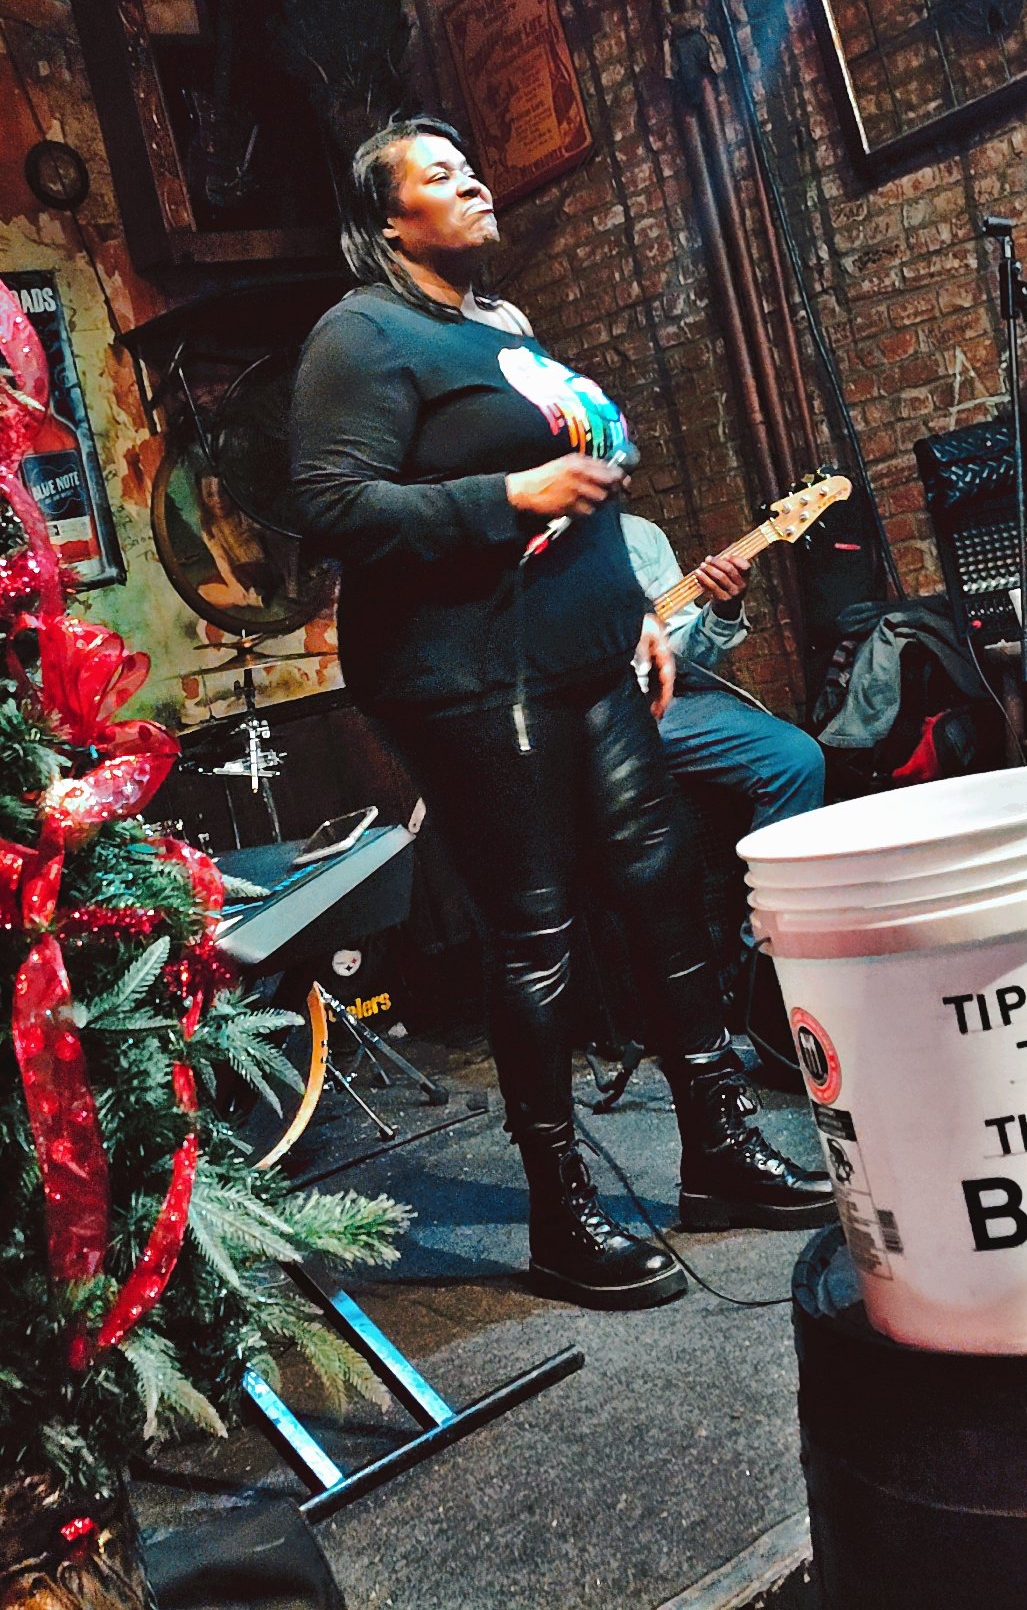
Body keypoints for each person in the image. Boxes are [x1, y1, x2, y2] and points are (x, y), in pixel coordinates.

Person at [289, 116, 834, 1314]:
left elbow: (573, 518)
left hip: (590, 656)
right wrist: (507, 490)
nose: (474, 179)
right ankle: (559, 1214)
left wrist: (624, 608)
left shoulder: (500, 327)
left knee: (664, 888)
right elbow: (331, 505)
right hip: (472, 676)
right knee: (537, 936)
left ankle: (717, 1152)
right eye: (439, 175)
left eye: (467, 163)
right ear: (389, 220)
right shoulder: (362, 333)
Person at [620, 512, 826, 977]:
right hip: (571, 721)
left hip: (656, 704)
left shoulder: (638, 535)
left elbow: (690, 651)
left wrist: (724, 609)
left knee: (794, 758)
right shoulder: (509, 538)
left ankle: (764, 955)